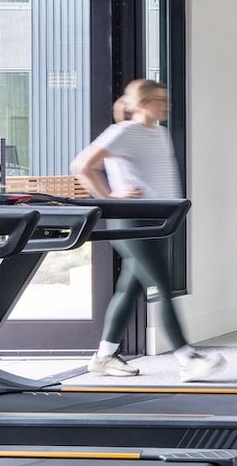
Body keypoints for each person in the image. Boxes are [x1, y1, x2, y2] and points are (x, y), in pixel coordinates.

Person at [70, 79, 225, 382]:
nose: (165, 105)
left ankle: (103, 356)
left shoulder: (159, 133)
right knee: (163, 286)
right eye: (159, 99)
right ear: (141, 104)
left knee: (129, 289)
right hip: (132, 222)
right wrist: (109, 196)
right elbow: (82, 165)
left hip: (159, 220)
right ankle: (187, 358)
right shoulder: (123, 132)